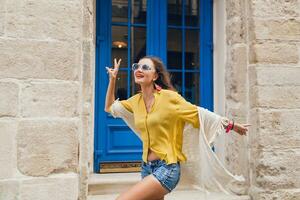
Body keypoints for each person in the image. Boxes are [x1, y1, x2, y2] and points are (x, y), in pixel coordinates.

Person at [104, 56, 250, 200]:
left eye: (145, 67)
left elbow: (199, 113)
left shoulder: (169, 98)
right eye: (136, 66)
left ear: (155, 76)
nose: (139, 69)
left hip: (167, 168)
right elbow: (110, 107)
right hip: (146, 168)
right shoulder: (135, 101)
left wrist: (232, 125)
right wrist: (112, 79)